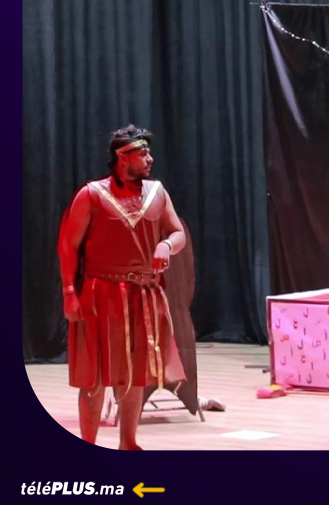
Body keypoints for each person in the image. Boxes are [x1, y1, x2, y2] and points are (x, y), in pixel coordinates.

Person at [57, 125, 186, 450]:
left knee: (135, 374)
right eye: (143, 153)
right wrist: (70, 293)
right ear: (122, 156)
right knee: (94, 377)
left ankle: (129, 443)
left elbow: (178, 233)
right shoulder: (91, 195)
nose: (150, 159)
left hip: (142, 296)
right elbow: (68, 246)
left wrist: (167, 245)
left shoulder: (157, 192)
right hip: (99, 295)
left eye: (149, 153)